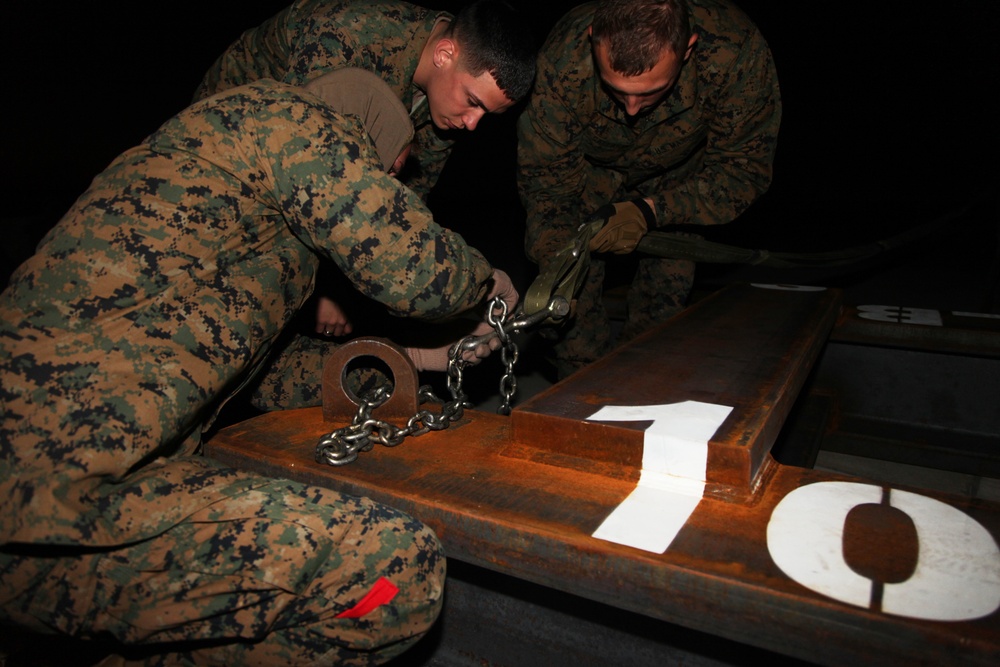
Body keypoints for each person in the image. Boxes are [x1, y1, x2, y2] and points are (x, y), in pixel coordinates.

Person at [0, 68, 516, 665]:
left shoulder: (226, 212)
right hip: (53, 489)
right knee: (393, 572)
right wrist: (484, 288)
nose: (397, 183)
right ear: (361, 140)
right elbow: (417, 269)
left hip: (53, 502)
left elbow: (257, 373)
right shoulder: (290, 122)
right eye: (392, 169)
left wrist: (398, 361)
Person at [193, 0, 538, 337]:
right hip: (219, 159)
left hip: (305, 180)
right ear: (444, 55)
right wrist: (328, 290)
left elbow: (402, 205)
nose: (472, 123)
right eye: (473, 102)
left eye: (485, 114)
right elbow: (309, 183)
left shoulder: (447, 106)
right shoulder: (346, 38)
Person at [517, 0, 781, 378]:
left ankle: (644, 392)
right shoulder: (564, 60)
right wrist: (556, 266)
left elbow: (743, 170)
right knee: (571, 330)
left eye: (652, 91)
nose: (632, 108)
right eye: (616, 89)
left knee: (661, 317)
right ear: (594, 40)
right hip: (587, 178)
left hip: (679, 179)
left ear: (688, 49)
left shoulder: (734, 53)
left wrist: (653, 210)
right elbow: (546, 184)